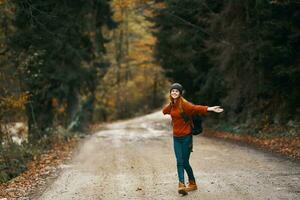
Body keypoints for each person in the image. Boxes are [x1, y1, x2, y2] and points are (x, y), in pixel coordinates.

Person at [162, 83, 224, 195]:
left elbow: (196, 108)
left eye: (176, 91)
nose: (174, 92)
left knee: (185, 162)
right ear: (170, 93)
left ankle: (192, 182)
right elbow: (164, 111)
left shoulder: (185, 104)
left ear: (180, 93)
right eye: (172, 91)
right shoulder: (173, 104)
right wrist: (171, 103)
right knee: (179, 161)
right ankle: (181, 184)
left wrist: (210, 108)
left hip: (186, 137)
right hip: (176, 138)